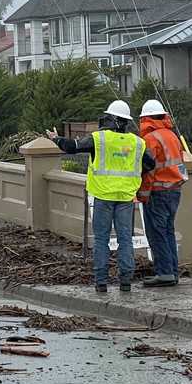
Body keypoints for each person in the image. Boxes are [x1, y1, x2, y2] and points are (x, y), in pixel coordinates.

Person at [45, 100, 156, 293]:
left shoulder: (99, 139)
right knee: (125, 239)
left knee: (101, 239)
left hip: (103, 196)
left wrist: (56, 138)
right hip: (125, 198)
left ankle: (101, 282)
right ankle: (126, 282)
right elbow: (150, 164)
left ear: (111, 119)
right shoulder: (137, 142)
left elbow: (72, 147)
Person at [137, 99, 188, 287]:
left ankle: (165, 273)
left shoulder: (150, 139)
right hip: (174, 190)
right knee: (168, 232)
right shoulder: (172, 135)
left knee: (157, 233)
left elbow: (148, 170)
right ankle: (172, 271)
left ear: (146, 119)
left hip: (157, 192)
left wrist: (143, 194)